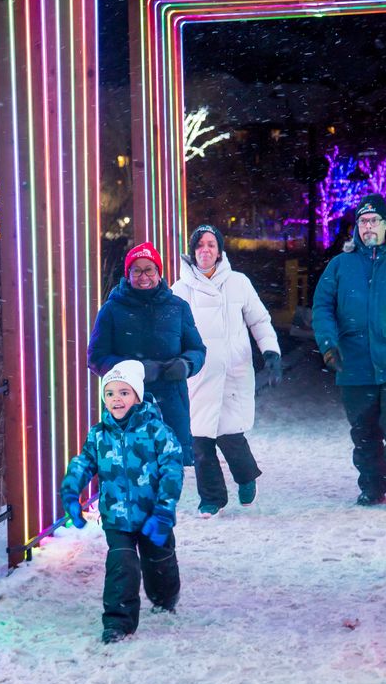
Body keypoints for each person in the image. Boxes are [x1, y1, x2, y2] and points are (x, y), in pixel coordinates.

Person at [312, 193, 386, 510]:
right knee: (364, 433)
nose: (368, 227)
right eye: (362, 221)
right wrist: (328, 344)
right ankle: (371, 487)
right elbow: (322, 307)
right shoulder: (340, 266)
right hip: (354, 365)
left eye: (373, 220)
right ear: (357, 228)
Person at [60, 360, 183, 644]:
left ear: (137, 396)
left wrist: (164, 510)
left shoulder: (157, 431)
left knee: (158, 560)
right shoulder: (99, 434)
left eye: (124, 393)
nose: (117, 399)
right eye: (110, 393)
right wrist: (71, 490)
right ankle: (118, 621)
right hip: (117, 516)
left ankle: (165, 596)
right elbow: (84, 462)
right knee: (122, 563)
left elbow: (172, 470)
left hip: (154, 514)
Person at [172, 224, 282, 517]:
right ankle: (212, 498)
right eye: (199, 245)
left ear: (219, 251)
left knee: (231, 435)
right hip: (198, 374)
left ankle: (246, 476)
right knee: (200, 439)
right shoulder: (180, 289)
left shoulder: (238, 283)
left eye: (211, 244)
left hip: (234, 371)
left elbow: (259, 320)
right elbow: (168, 330)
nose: (205, 250)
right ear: (193, 252)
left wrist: (270, 351)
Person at [87, 241, 206, 465]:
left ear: (158, 273)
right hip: (128, 403)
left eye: (149, 269)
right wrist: (135, 371)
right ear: (128, 274)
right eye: (137, 270)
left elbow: (197, 350)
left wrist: (186, 364)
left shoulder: (178, 307)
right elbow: (96, 357)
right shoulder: (112, 310)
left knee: (168, 472)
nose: (143, 276)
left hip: (171, 403)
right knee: (131, 469)